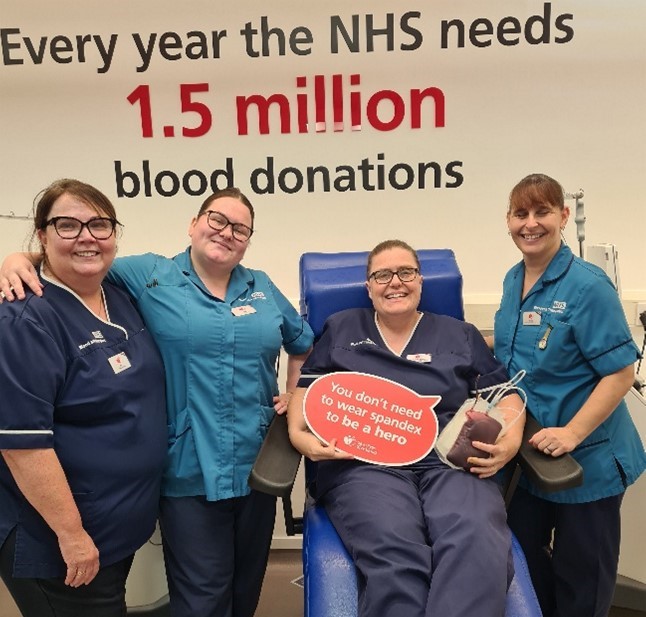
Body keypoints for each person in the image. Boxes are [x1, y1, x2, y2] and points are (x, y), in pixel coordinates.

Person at [0, 186, 314, 617]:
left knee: (246, 586)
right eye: (216, 219)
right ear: (193, 224)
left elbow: (303, 343)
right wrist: (18, 260)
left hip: (258, 465)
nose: (226, 232)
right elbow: (81, 259)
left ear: (249, 238)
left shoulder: (261, 286)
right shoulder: (148, 276)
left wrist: (295, 394)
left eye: (240, 227)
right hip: (188, 466)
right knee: (203, 596)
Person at [287, 239, 526, 617]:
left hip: (449, 460)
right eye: (382, 274)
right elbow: (308, 389)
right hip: (365, 464)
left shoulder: (460, 334)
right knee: (396, 556)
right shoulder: (342, 328)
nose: (394, 282)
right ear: (368, 286)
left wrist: (510, 442)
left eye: (406, 272)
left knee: (476, 540)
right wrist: (300, 437)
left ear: (420, 281)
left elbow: (505, 394)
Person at [0, 179, 167, 617]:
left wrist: (23, 257)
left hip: (114, 525)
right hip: (58, 538)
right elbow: (24, 446)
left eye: (99, 224)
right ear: (42, 233)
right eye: (67, 225)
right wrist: (72, 536)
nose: (87, 236)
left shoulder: (119, 293)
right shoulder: (24, 319)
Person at [492, 173, 646, 617]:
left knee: (583, 578)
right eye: (521, 214)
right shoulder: (512, 279)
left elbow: (619, 373)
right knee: (524, 566)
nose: (531, 224)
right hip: (530, 451)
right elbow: (514, 351)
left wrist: (573, 433)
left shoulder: (588, 286)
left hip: (587, 459)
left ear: (562, 216)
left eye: (542, 211)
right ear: (508, 221)